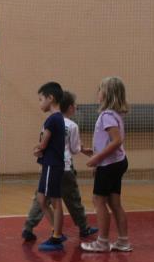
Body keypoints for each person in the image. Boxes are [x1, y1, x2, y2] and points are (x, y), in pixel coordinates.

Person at [22, 91, 98, 243]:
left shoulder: (49, 122)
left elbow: (43, 144)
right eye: (75, 105)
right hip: (65, 168)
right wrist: (83, 149)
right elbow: (74, 148)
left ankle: (28, 227)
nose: (76, 107)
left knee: (41, 199)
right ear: (69, 107)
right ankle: (83, 228)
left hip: (49, 166)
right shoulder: (72, 125)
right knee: (73, 199)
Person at [82, 77, 131, 252]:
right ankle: (123, 241)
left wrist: (97, 159)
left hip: (109, 164)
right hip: (116, 162)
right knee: (114, 202)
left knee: (98, 200)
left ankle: (102, 241)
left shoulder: (107, 116)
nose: (98, 93)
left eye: (100, 89)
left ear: (108, 94)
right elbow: (108, 142)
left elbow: (116, 141)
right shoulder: (114, 115)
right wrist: (94, 152)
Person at [33, 82, 66, 251]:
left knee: (55, 201)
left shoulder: (53, 119)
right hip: (50, 164)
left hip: (52, 164)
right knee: (41, 199)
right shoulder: (57, 119)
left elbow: (43, 143)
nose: (40, 103)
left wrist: (37, 149)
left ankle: (57, 237)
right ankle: (56, 229)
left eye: (41, 99)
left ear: (50, 98)